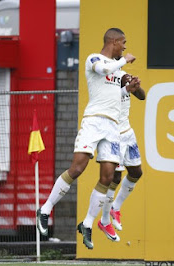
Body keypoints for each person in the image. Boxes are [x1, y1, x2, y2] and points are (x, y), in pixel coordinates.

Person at [36, 28, 138, 249]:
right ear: (114, 41)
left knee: (109, 176)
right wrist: (124, 62)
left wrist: (130, 87)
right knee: (77, 168)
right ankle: (45, 209)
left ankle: (89, 223)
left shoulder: (119, 73)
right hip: (93, 122)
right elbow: (103, 69)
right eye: (123, 43)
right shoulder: (95, 59)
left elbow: (129, 93)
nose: (125, 48)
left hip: (112, 127)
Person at [109, 73, 145, 231]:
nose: (123, 47)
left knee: (136, 172)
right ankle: (104, 219)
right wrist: (124, 88)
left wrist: (134, 85)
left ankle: (115, 208)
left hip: (128, 133)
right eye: (122, 46)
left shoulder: (124, 75)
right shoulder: (105, 77)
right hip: (113, 134)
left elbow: (142, 96)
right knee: (115, 177)